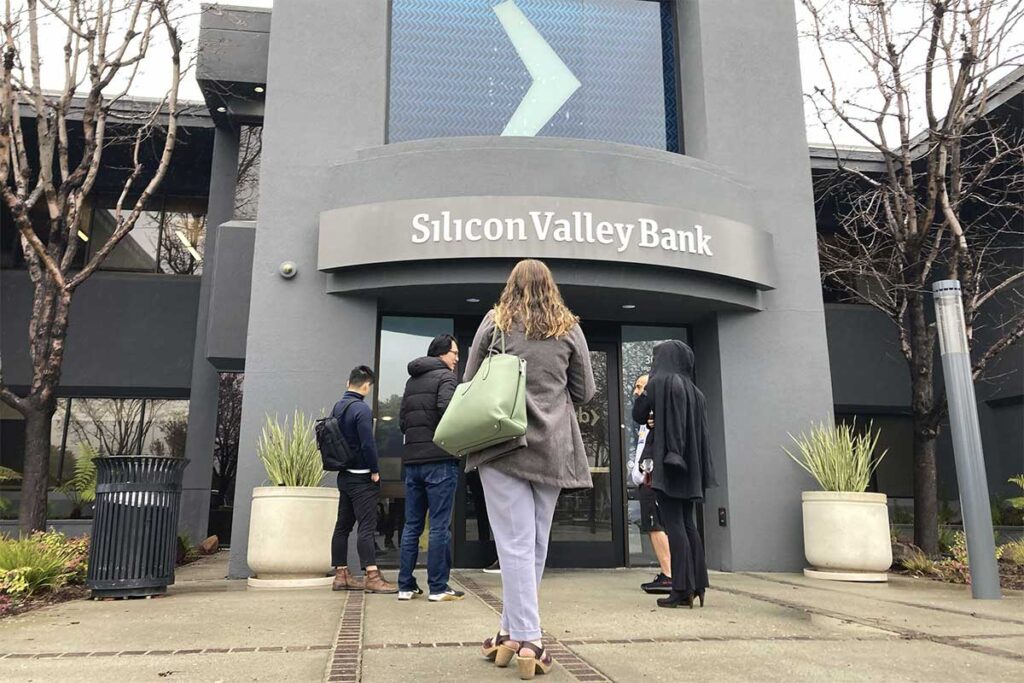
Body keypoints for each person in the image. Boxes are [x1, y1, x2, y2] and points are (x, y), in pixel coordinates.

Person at [468, 259, 595, 678]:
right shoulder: (568, 327)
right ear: (550, 286)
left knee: (515, 543)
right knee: (534, 544)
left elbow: (470, 379)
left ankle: (528, 638)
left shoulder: (495, 322)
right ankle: (510, 633)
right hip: (552, 447)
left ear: (511, 285)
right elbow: (585, 391)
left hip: (501, 443)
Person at [632, 341, 715, 609]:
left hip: (668, 463)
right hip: (691, 466)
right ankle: (697, 584)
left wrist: (647, 399)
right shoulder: (696, 393)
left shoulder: (659, 384)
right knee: (689, 523)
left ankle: (680, 588)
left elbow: (638, 413)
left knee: (673, 524)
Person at [397, 333, 465, 602]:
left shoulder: (411, 381)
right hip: (440, 460)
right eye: (454, 353)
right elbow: (448, 411)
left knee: (412, 525)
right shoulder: (446, 378)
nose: (457, 359)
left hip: (413, 462)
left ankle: (405, 586)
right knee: (439, 526)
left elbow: (403, 422)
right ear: (441, 353)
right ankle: (438, 587)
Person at [330, 365, 398, 594]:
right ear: (367, 386)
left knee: (342, 526)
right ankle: (372, 576)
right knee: (366, 527)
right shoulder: (361, 410)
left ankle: (341, 575)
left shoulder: (337, 407)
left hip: (344, 476)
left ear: (347, 383)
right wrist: (375, 470)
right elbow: (368, 444)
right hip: (361, 477)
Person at [629, 374, 672, 594]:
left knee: (656, 526)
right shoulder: (646, 422)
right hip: (646, 479)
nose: (636, 392)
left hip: (652, 481)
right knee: (654, 526)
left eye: (640, 387)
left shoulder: (659, 419)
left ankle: (669, 574)